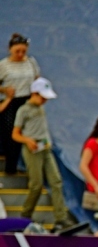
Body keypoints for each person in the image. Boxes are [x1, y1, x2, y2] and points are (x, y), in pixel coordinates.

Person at [11, 77, 71, 230]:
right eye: (42, 97)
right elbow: (15, 134)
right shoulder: (24, 110)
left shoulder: (41, 109)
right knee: (36, 184)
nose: (45, 101)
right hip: (32, 150)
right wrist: (27, 140)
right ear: (35, 93)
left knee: (56, 181)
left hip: (44, 148)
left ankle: (61, 217)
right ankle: (26, 214)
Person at [0, 33, 40, 174]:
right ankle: (10, 166)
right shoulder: (4, 65)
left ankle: (25, 166)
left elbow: (37, 79)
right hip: (11, 100)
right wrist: (5, 90)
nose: (20, 54)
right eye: (17, 51)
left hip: (27, 99)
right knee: (11, 133)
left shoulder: (31, 62)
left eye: (23, 51)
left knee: (29, 131)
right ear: (10, 49)